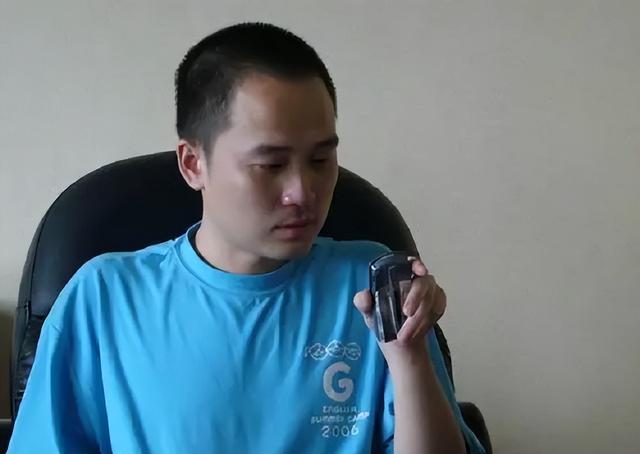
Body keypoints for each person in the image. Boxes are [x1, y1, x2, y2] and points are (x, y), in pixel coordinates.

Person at [8, 22, 484, 454]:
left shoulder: (371, 286)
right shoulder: (105, 298)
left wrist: (407, 355)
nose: (303, 192)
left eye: (320, 160)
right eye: (270, 165)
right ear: (193, 164)